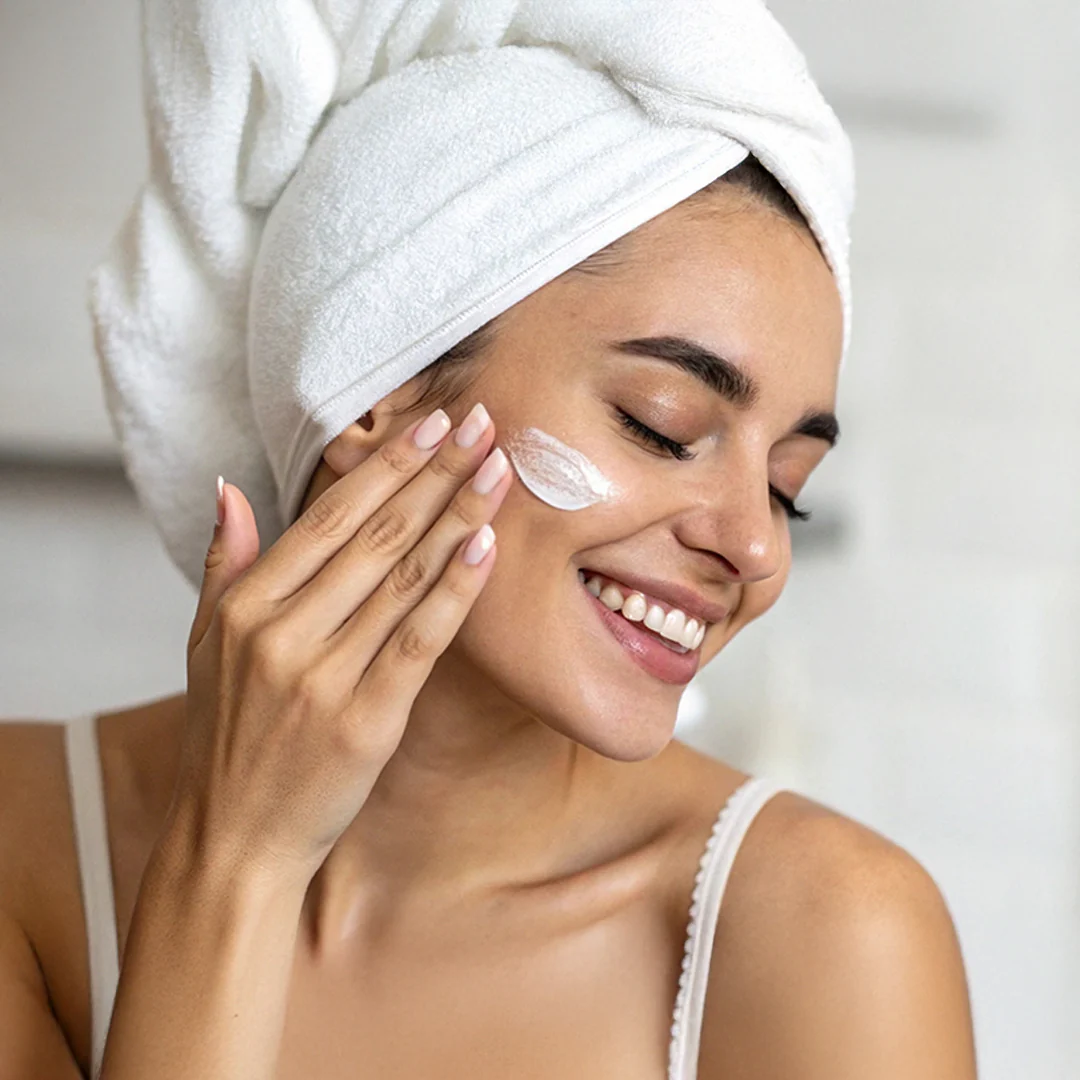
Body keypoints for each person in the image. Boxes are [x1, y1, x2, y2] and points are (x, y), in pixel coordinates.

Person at [0, 4, 977, 1078]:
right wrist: (236, 863)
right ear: (373, 390)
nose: (755, 546)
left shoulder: (830, 936)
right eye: (664, 425)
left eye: (788, 486)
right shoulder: (26, 845)